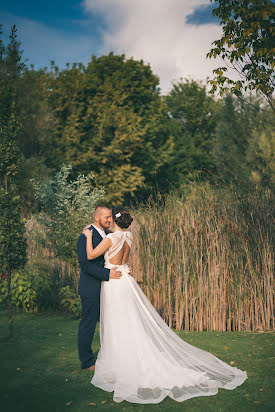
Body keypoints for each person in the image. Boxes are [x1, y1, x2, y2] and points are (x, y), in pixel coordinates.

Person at [82, 206, 248, 404]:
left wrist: (88, 236)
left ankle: (119, 361)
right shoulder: (129, 236)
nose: (108, 221)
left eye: (111, 218)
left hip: (114, 283)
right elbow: (121, 256)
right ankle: (126, 356)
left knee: (117, 321)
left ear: (115, 221)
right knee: (129, 320)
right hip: (126, 279)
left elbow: (91, 256)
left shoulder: (110, 239)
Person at [77, 203, 123, 371]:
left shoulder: (107, 235)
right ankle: (87, 362)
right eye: (107, 217)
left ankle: (112, 356)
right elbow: (85, 265)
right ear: (97, 217)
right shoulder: (85, 236)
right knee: (88, 325)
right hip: (91, 288)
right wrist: (107, 274)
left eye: (111, 217)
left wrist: (125, 267)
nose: (110, 220)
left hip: (106, 288)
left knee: (108, 324)